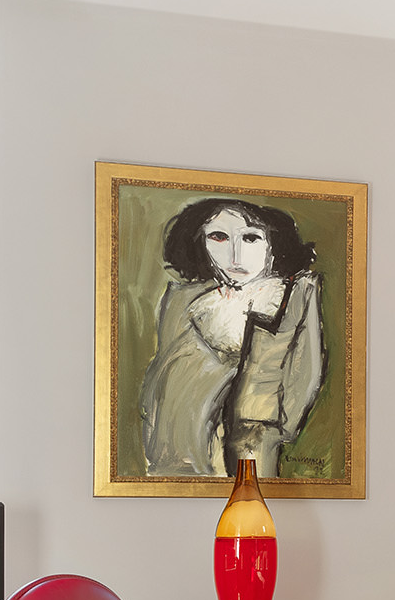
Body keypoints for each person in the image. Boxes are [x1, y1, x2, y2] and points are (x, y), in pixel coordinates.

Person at [140, 197, 326, 477]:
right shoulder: (181, 302)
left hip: (251, 459)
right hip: (174, 457)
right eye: (218, 237)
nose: (235, 256)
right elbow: (159, 387)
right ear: (199, 241)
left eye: (251, 238)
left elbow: (302, 384)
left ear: (274, 241)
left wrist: (262, 433)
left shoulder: (296, 298)